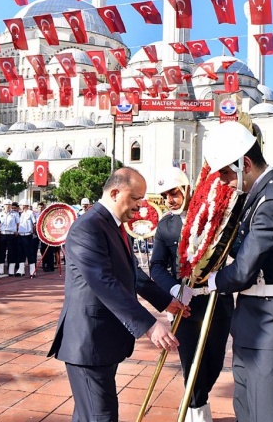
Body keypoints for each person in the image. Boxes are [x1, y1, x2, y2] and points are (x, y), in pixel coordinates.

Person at [48, 167, 186, 422]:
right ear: (114, 192)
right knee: (101, 416)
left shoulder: (111, 225)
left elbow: (133, 273)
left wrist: (166, 301)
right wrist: (150, 326)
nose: (140, 206)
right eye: (135, 198)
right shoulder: (88, 227)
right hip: (88, 341)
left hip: (103, 341)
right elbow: (103, 281)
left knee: (91, 415)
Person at [203, 121, 273, 422]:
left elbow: (242, 272)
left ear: (245, 163)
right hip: (254, 317)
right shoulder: (258, 198)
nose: (223, 181)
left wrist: (211, 281)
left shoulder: (272, 199)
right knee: (247, 409)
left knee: (266, 414)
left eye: (225, 172)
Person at [149, 167, 232, 421]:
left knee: (214, 362)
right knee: (191, 364)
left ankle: (194, 404)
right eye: (164, 196)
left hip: (217, 300)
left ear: (186, 189)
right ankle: (197, 413)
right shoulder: (166, 225)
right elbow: (156, 266)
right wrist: (174, 290)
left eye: (173, 193)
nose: (169, 201)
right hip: (184, 305)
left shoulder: (212, 215)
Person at [0, 199, 19, 275]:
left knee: (11, 252)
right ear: (4, 205)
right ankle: (1, 269)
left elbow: (18, 224)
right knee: (1, 251)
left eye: (9, 205)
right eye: (6, 205)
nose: (8, 206)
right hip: (2, 234)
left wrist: (16, 231)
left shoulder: (15, 214)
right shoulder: (0, 214)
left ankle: (11, 269)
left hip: (11, 234)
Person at [16, 200, 37, 276]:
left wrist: (34, 233)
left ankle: (32, 271)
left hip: (28, 235)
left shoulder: (30, 213)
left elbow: (34, 223)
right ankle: (21, 270)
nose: (20, 207)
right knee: (21, 253)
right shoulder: (21, 214)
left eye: (21, 205)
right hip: (21, 235)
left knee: (30, 253)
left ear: (25, 205)